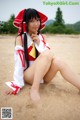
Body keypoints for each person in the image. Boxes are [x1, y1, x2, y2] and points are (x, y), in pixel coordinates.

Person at [5, 8, 80, 101]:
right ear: (25, 23)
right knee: (47, 53)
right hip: (29, 75)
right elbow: (18, 63)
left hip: (43, 76)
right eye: (32, 21)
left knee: (58, 61)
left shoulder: (42, 37)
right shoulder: (20, 38)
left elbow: (49, 57)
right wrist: (16, 84)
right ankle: (34, 89)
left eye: (37, 20)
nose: (36, 24)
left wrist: (39, 42)